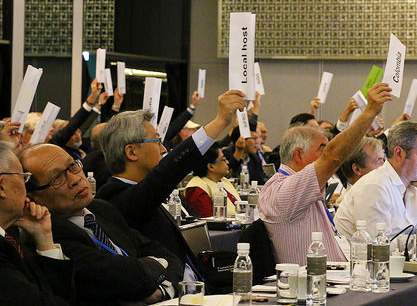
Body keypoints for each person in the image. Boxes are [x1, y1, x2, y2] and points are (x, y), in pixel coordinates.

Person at [96, 90, 245, 290]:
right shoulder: (116, 198)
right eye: (157, 141)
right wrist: (220, 121)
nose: (164, 149)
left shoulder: (139, 193)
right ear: (131, 152)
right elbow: (168, 172)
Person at [21, 144, 184, 304]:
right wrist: (156, 265)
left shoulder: (101, 209)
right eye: (57, 178)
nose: (75, 179)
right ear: (34, 197)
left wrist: (162, 291)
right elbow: (129, 279)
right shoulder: (49, 237)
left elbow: (167, 254)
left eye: (72, 166)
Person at [259, 83, 391, 265]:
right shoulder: (285, 190)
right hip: (314, 285)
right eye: (322, 148)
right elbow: (334, 157)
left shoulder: (298, 187)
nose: (326, 154)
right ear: (298, 154)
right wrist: (369, 112)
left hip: (335, 276)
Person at [335, 121, 417, 247]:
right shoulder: (374, 186)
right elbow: (378, 246)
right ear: (399, 153)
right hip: (356, 264)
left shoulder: (416, 185)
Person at [0, 141, 74, 305]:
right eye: (23, 178)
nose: (26, 189)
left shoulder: (11, 240)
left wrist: (44, 239)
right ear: (1, 187)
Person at [185, 144, 240, 217]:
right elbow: (209, 222)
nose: (227, 162)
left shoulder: (222, 181)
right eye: (223, 159)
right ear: (211, 166)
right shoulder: (197, 190)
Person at [330, 137, 385, 207]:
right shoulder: (354, 204)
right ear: (357, 169)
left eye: (383, 160)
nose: (384, 165)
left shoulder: (379, 193)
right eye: (379, 161)